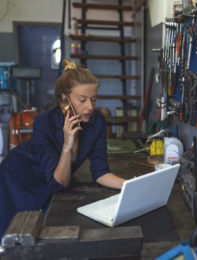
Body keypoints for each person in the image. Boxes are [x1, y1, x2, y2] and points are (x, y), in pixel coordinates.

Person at [0, 59, 126, 237]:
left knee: (43, 234)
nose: (89, 107)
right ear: (65, 99)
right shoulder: (44, 122)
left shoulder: (96, 121)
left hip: (50, 183)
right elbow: (59, 183)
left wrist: (129, 185)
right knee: (13, 237)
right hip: (18, 179)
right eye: (82, 100)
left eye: (93, 99)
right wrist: (67, 145)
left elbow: (100, 172)